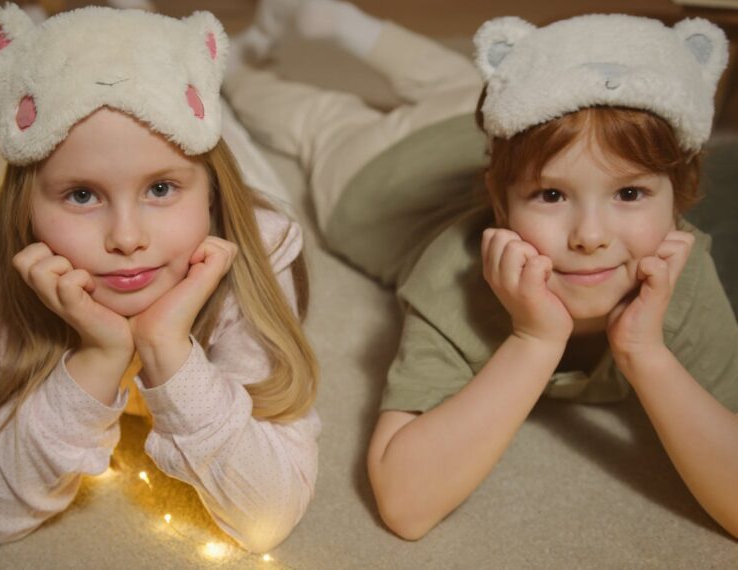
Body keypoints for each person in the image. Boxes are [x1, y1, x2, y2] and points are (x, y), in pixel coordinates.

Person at [225, 0, 738, 541]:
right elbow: (405, 503)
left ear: (679, 198)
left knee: (449, 80)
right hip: (381, 174)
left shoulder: (681, 269)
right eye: (552, 195)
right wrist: (534, 340)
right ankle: (237, 69)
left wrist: (647, 354)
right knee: (318, 116)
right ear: (500, 202)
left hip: (491, 129)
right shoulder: (453, 275)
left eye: (629, 192)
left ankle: (336, 23)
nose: (591, 236)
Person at [0, 4, 320, 553]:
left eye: (161, 188)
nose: (126, 238)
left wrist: (168, 349)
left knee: (236, 120)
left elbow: (268, 515)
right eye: (82, 194)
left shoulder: (263, 244)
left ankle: (135, 22)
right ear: (25, 207)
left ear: (207, 192)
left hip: (239, 189)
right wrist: (97, 355)